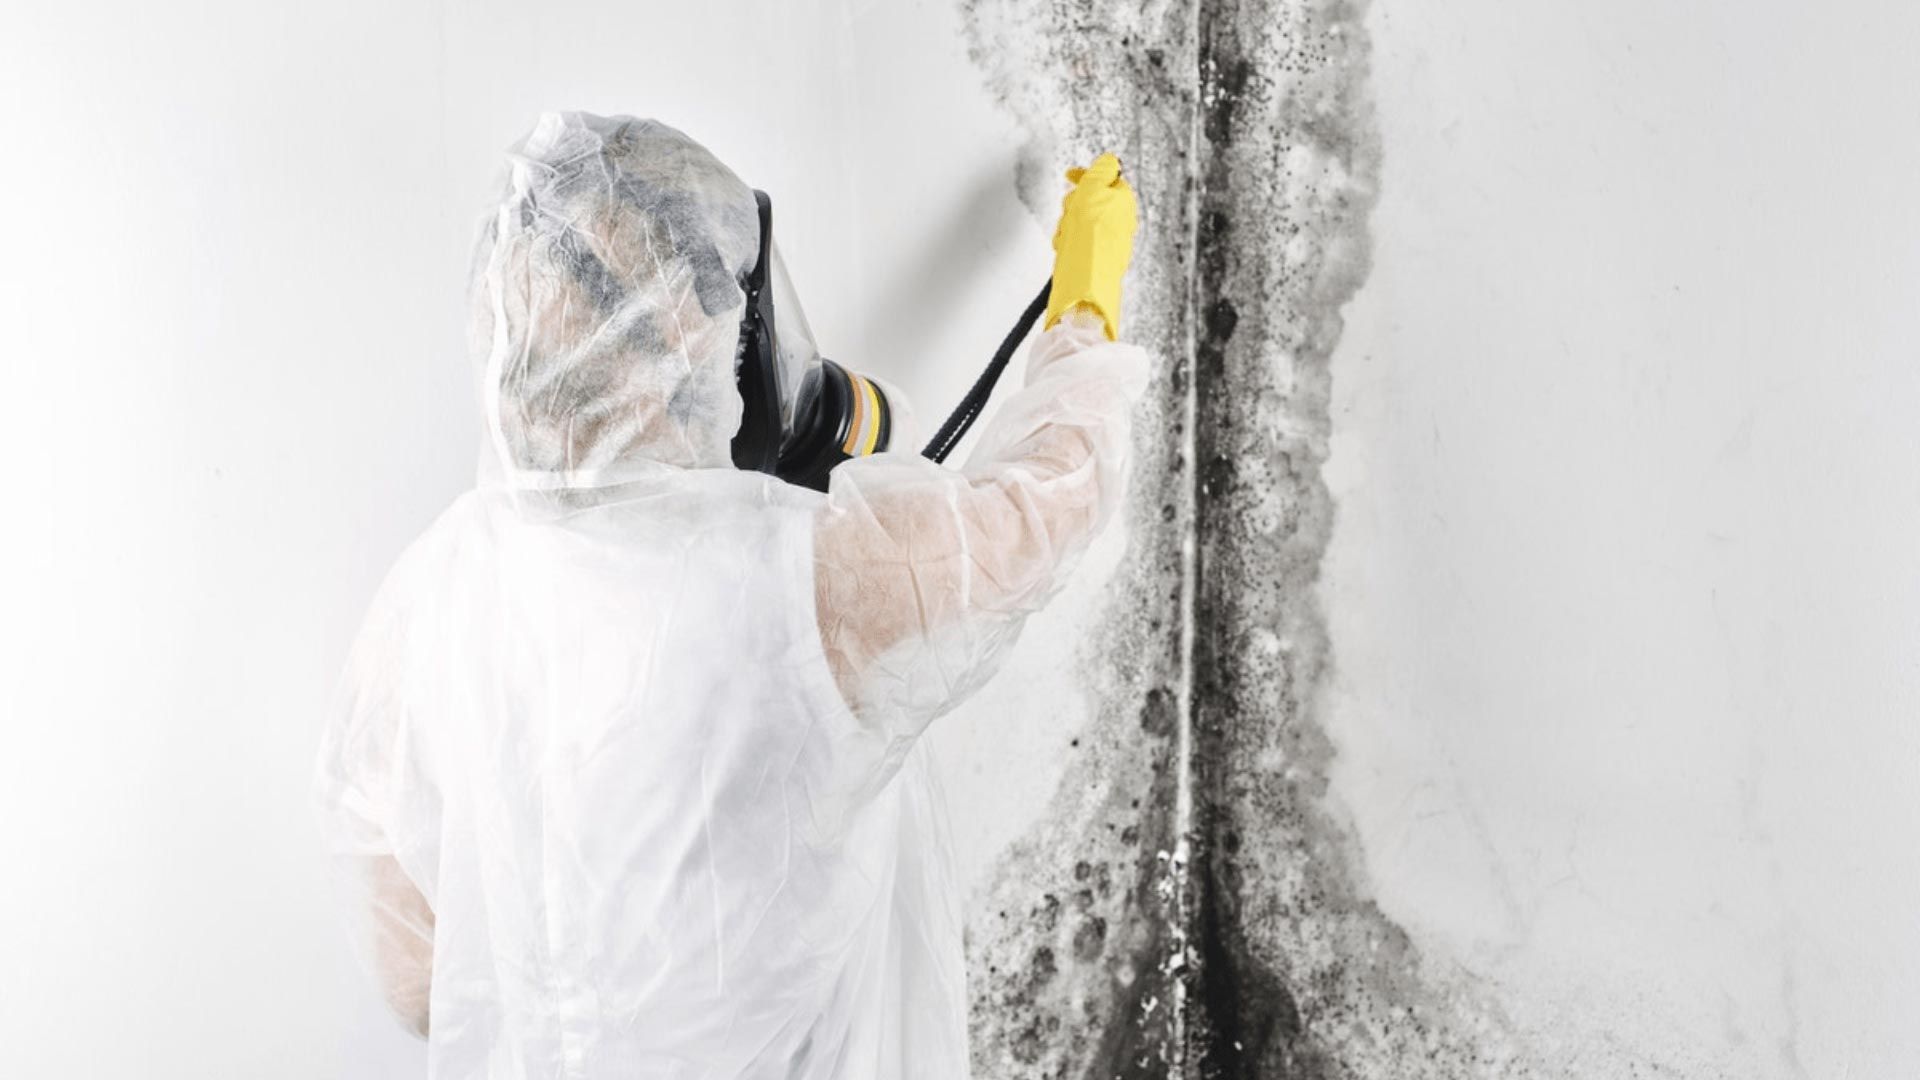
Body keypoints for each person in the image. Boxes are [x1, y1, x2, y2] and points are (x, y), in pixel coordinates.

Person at [314, 111, 1143, 1080]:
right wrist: (1086, 305)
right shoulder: (797, 586)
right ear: (677, 328)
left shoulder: (428, 599)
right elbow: (1032, 520)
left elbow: (414, 977)